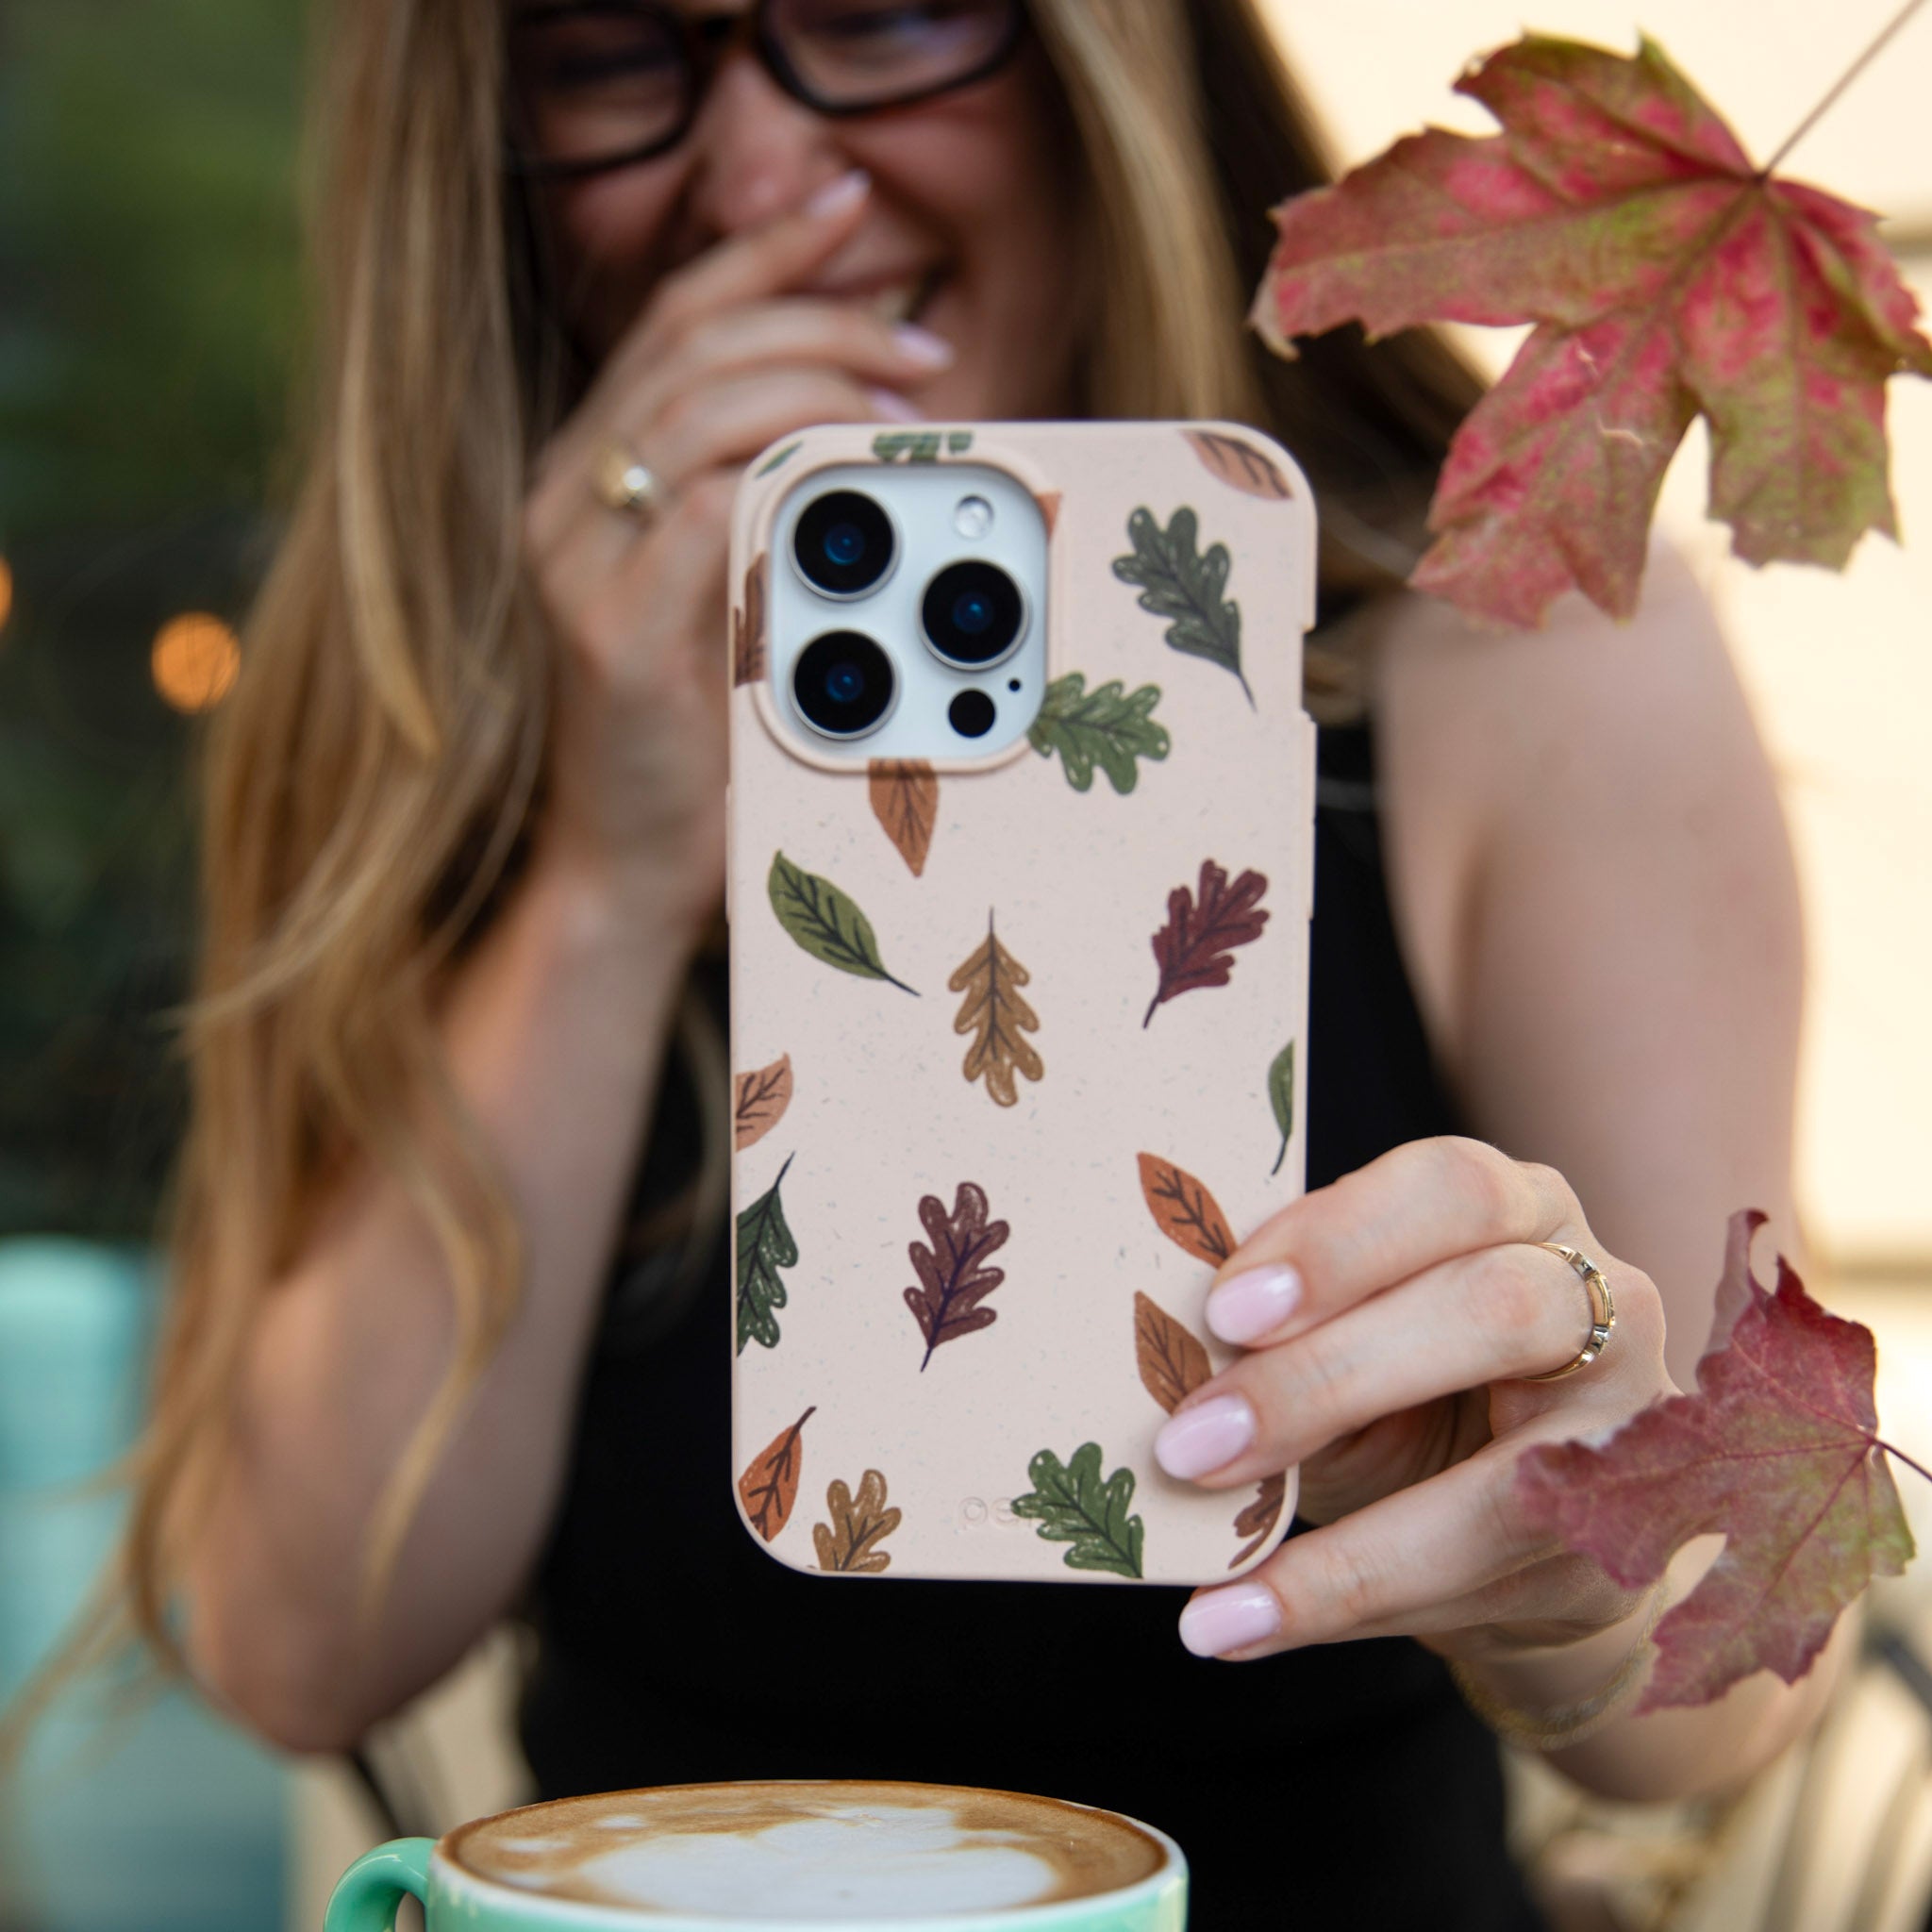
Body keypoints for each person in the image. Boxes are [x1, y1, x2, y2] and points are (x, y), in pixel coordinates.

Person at [122, 1, 1832, 1924]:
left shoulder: (1524, 654)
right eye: (612, 49)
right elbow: (291, 1643)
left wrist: (1583, 1559)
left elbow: (1720, 1691)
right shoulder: (452, 707)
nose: (758, 175)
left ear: (1116, 59)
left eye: (879, 11)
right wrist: (602, 884)